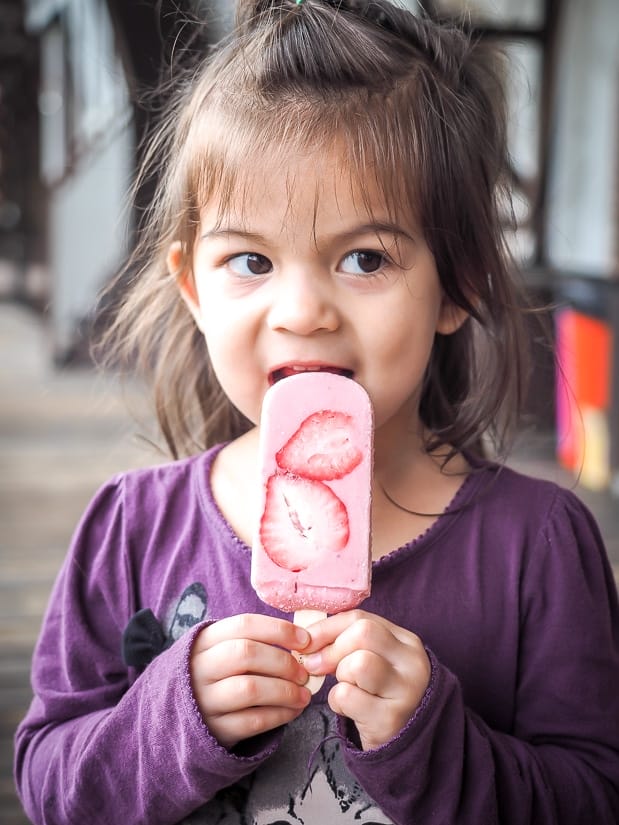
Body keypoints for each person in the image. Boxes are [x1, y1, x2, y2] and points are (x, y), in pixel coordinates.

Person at [14, 1, 619, 823]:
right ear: (193, 286)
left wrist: (436, 741)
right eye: (251, 260)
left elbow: (591, 798)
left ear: (459, 282)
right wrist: (169, 718)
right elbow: (51, 785)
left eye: (364, 258)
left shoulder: (537, 545)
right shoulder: (129, 529)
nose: (302, 310)